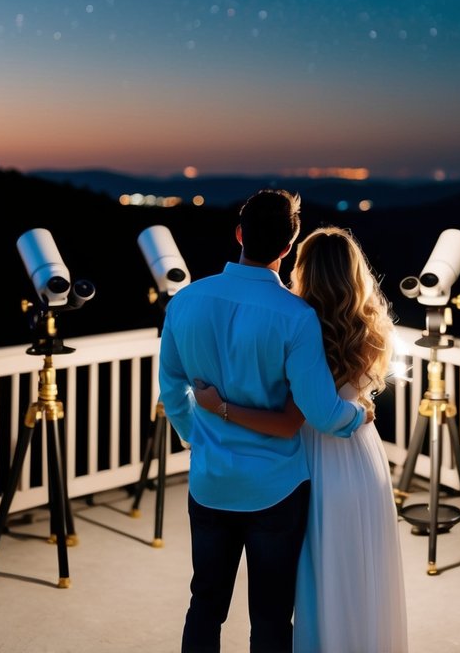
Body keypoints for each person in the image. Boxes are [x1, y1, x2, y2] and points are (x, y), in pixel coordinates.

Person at [157, 190, 368, 653]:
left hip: (210, 481)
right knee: (272, 617)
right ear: (288, 246)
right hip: (275, 490)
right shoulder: (296, 316)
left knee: (205, 605)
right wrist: (358, 415)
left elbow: (171, 389)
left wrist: (197, 436)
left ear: (239, 234)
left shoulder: (186, 302)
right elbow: (322, 413)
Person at [194, 225, 409, 653]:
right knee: (360, 569)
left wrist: (219, 406)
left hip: (315, 457)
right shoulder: (373, 327)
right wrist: (359, 410)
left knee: (317, 573)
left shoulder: (297, 322)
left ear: (304, 268)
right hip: (363, 458)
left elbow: (298, 414)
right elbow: (362, 396)